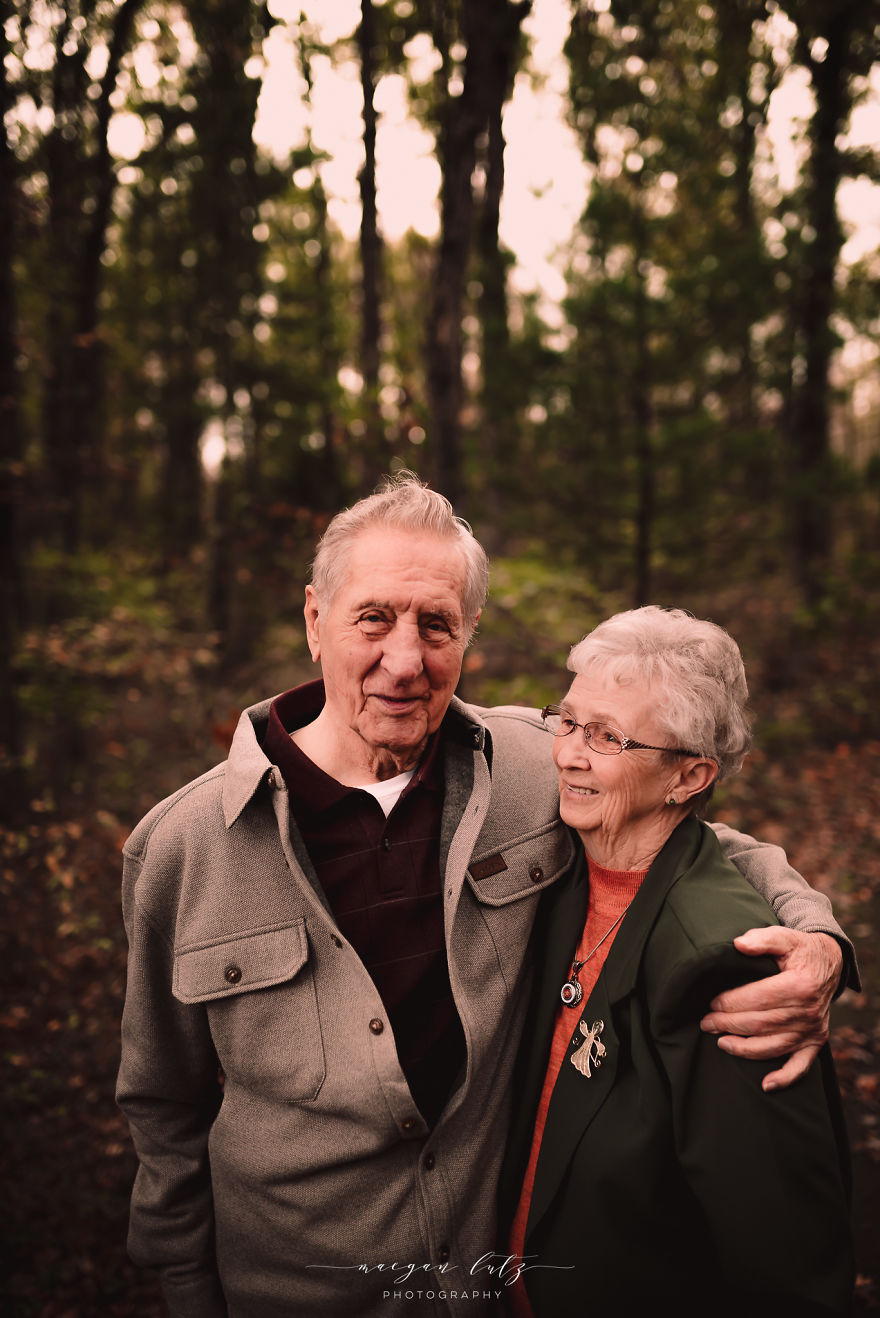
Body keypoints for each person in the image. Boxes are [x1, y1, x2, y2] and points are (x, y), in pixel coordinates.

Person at [117, 476, 856, 1318]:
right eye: (373, 618)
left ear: (468, 635)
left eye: (436, 624)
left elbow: (686, 835)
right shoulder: (182, 846)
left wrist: (818, 941)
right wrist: (186, 1289)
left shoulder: (534, 764)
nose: (406, 660)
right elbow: (162, 1103)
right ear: (315, 619)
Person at [498, 607, 854, 1318]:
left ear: (689, 777)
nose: (569, 754)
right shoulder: (564, 871)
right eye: (566, 722)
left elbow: (784, 1259)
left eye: (607, 736)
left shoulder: (731, 968)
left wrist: (825, 941)